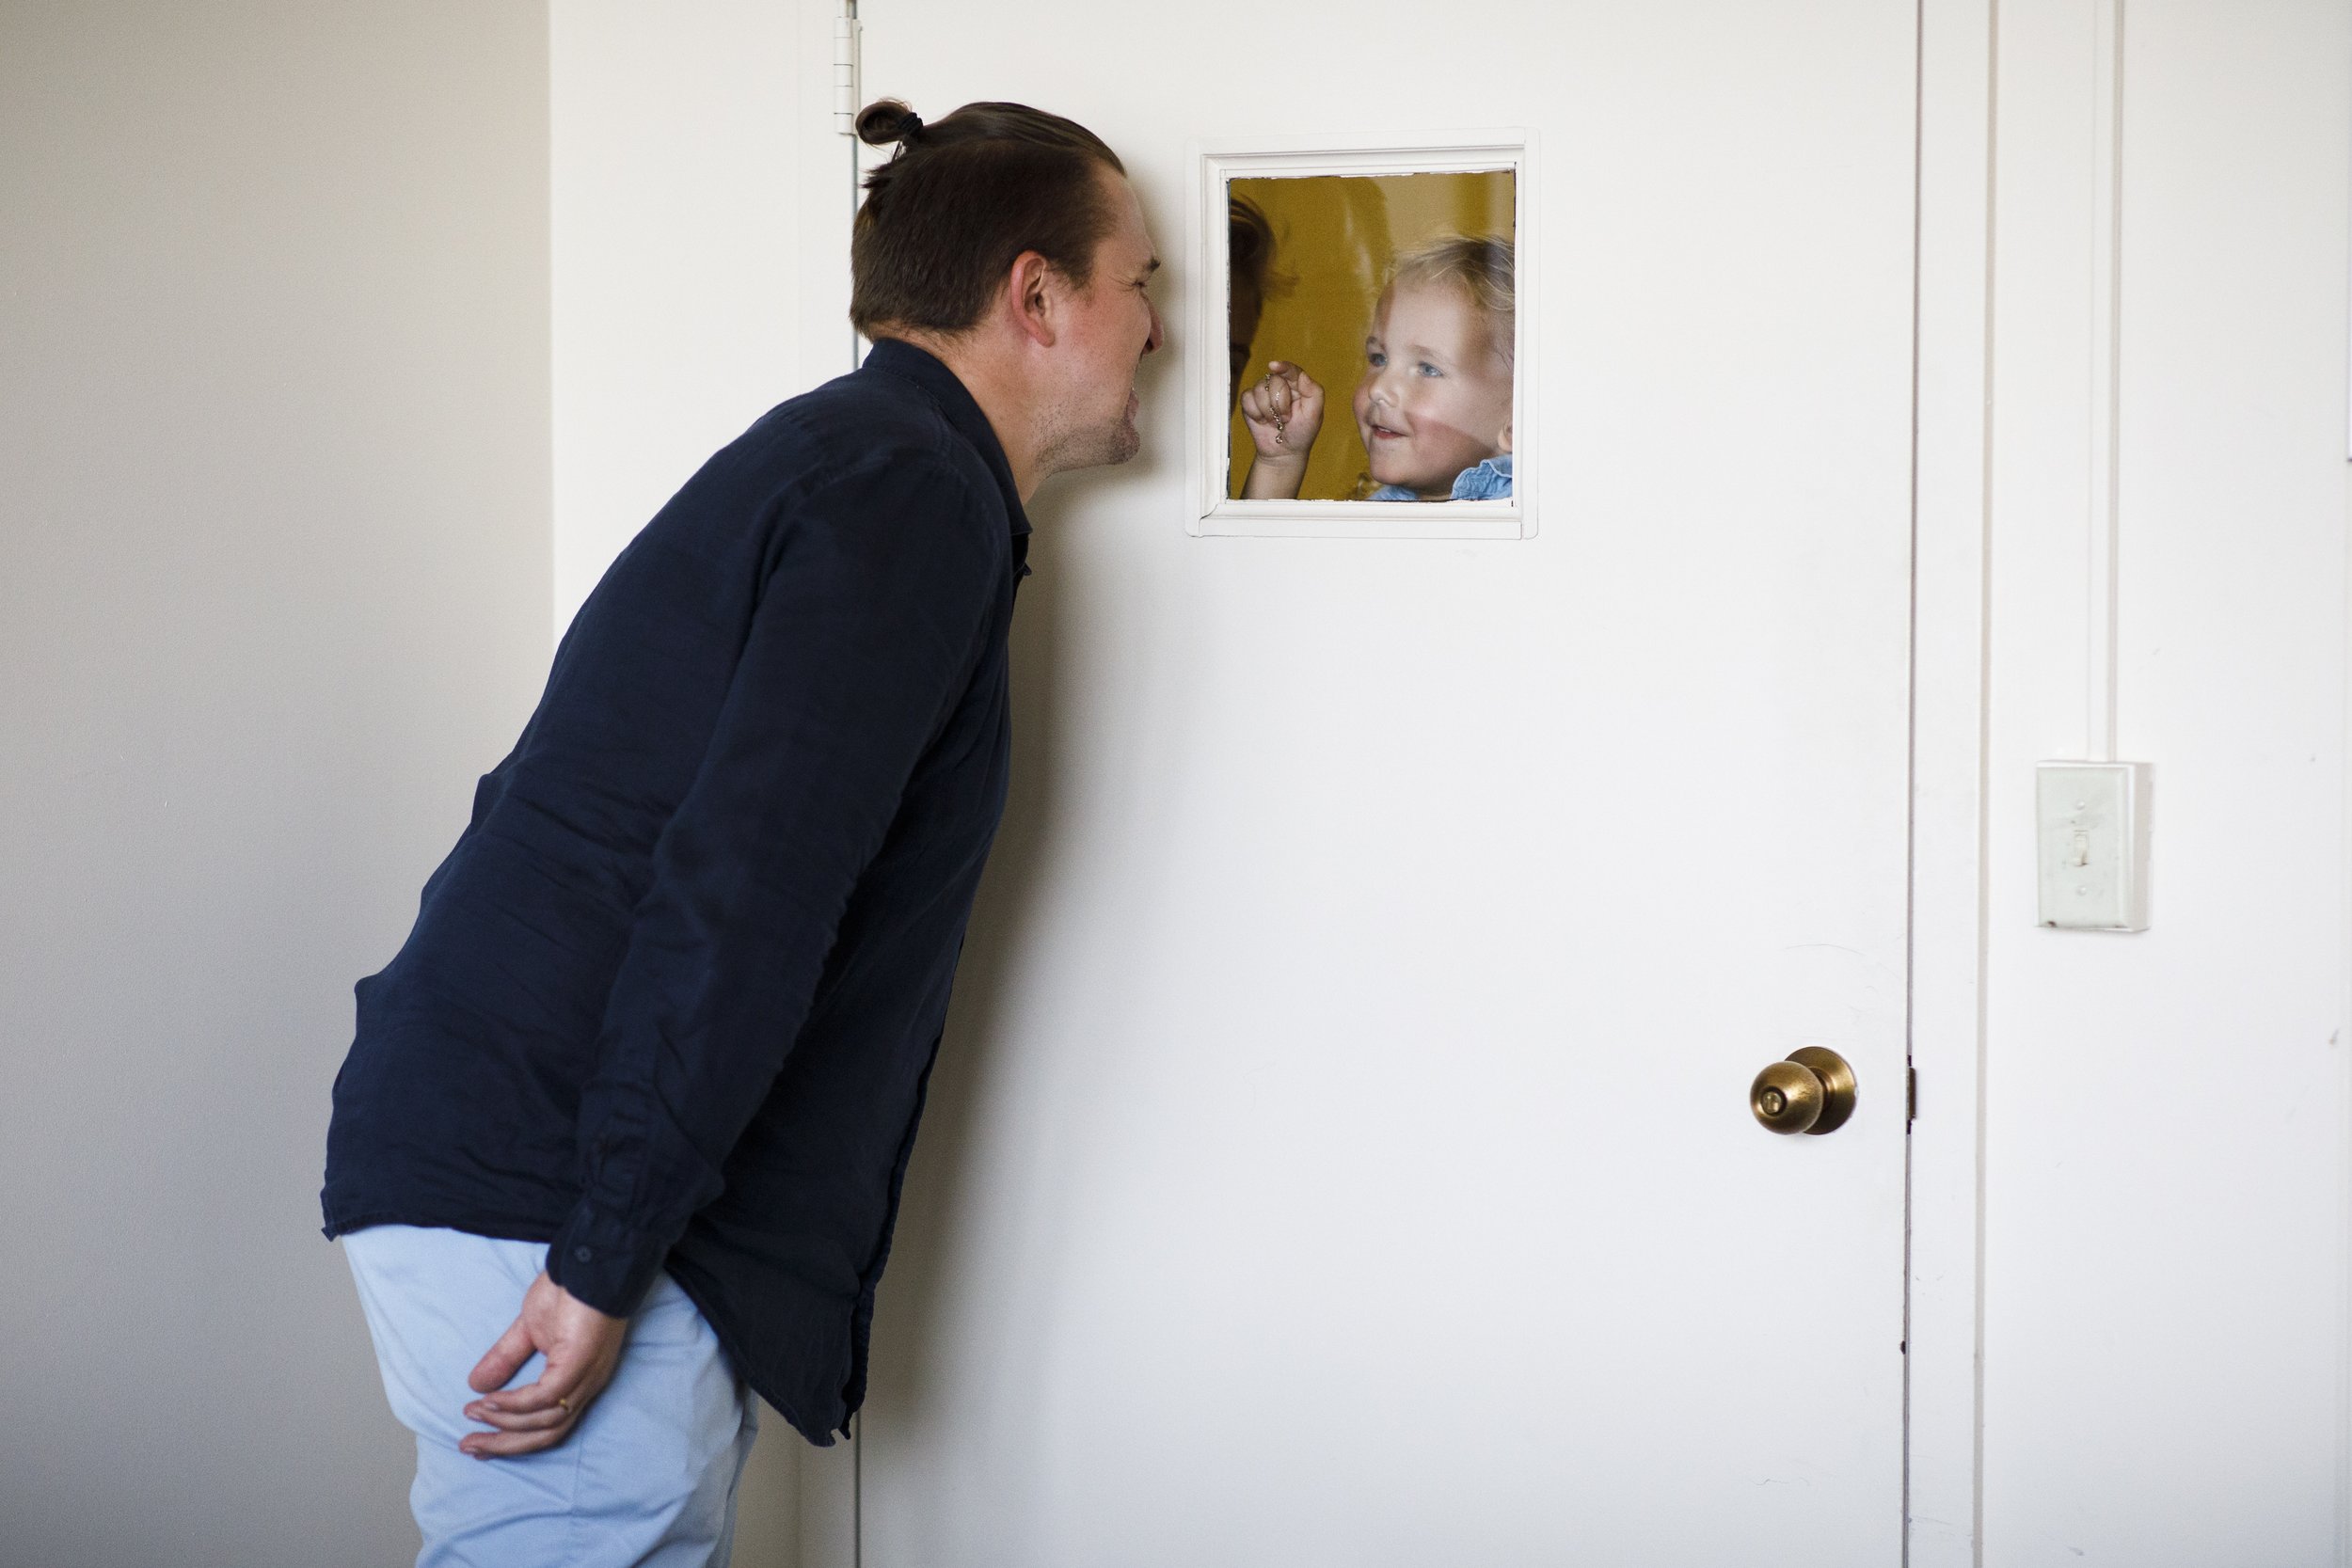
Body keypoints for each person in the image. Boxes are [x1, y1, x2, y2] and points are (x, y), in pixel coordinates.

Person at [320, 96, 1162, 1566]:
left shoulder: (866, 460)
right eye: (1141, 283)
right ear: (1037, 293)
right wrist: (600, 1256)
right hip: (555, 1199)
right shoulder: (909, 492)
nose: (1157, 326)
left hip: (542, 1167)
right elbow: (747, 889)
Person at [1236, 233, 1514, 502]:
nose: (1379, 389)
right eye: (1378, 359)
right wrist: (1280, 461)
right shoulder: (1379, 508)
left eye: (1428, 369)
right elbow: (1251, 552)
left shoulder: (1530, 515)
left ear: (1514, 423)